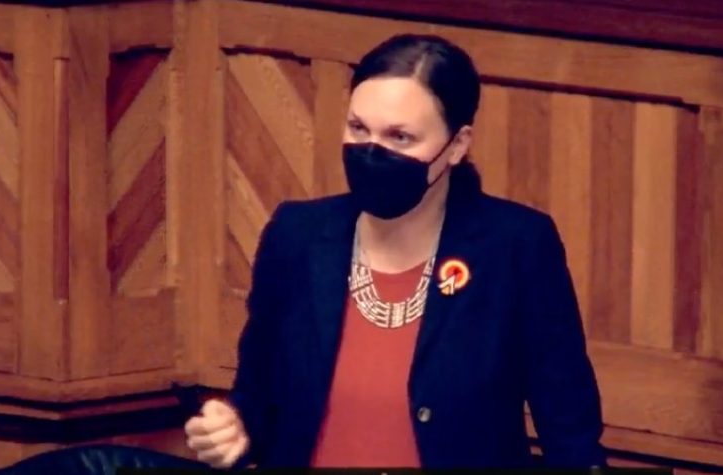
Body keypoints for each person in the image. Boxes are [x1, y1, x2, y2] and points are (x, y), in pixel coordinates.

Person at [184, 33, 606, 469]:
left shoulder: (517, 248)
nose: (373, 151)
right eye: (358, 128)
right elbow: (258, 397)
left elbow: (570, 433)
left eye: (400, 137)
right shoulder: (297, 236)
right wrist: (232, 425)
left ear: (457, 146)